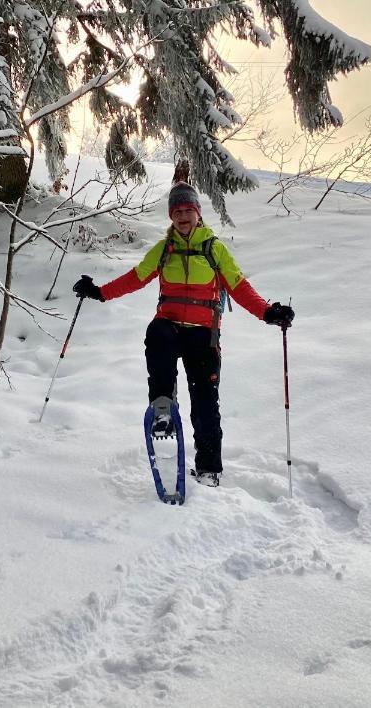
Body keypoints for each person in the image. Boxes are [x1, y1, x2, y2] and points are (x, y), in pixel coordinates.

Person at [73, 182, 294, 487]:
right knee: (157, 333)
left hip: (204, 335)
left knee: (205, 404)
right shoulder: (165, 249)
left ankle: (209, 469)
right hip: (170, 326)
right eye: (176, 212)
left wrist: (268, 312)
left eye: (187, 210)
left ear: (197, 213)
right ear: (171, 216)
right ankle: (163, 405)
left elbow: (239, 286)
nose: (182, 216)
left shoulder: (214, 249)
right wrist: (99, 292)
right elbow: (136, 277)